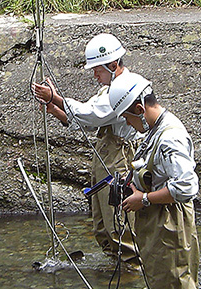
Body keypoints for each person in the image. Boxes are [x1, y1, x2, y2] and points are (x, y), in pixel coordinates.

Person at [31, 33, 140, 266]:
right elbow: (91, 121)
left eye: (97, 69)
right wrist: (55, 109)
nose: (94, 75)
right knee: (101, 221)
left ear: (112, 65)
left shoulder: (124, 88)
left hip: (120, 159)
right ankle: (115, 265)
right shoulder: (109, 87)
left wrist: (57, 98)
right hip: (106, 156)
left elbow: (94, 113)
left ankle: (131, 269)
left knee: (118, 220)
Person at [109, 71, 201, 289]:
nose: (128, 124)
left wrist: (145, 199)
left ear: (139, 109)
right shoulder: (154, 129)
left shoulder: (170, 137)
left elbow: (186, 187)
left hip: (170, 225)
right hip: (157, 225)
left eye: (127, 117)